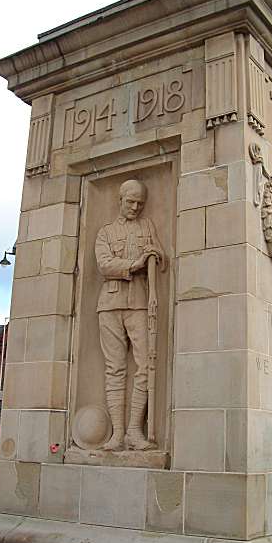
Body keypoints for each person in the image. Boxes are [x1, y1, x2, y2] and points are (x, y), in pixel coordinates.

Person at [95, 179, 165, 451]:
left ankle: (134, 432)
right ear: (120, 200)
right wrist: (133, 264)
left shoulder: (147, 226)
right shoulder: (106, 232)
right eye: (130, 202)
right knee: (115, 369)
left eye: (140, 203)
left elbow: (161, 255)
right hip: (110, 304)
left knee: (146, 365)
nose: (135, 207)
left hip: (140, 303)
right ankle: (118, 433)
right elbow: (104, 264)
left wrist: (154, 254)